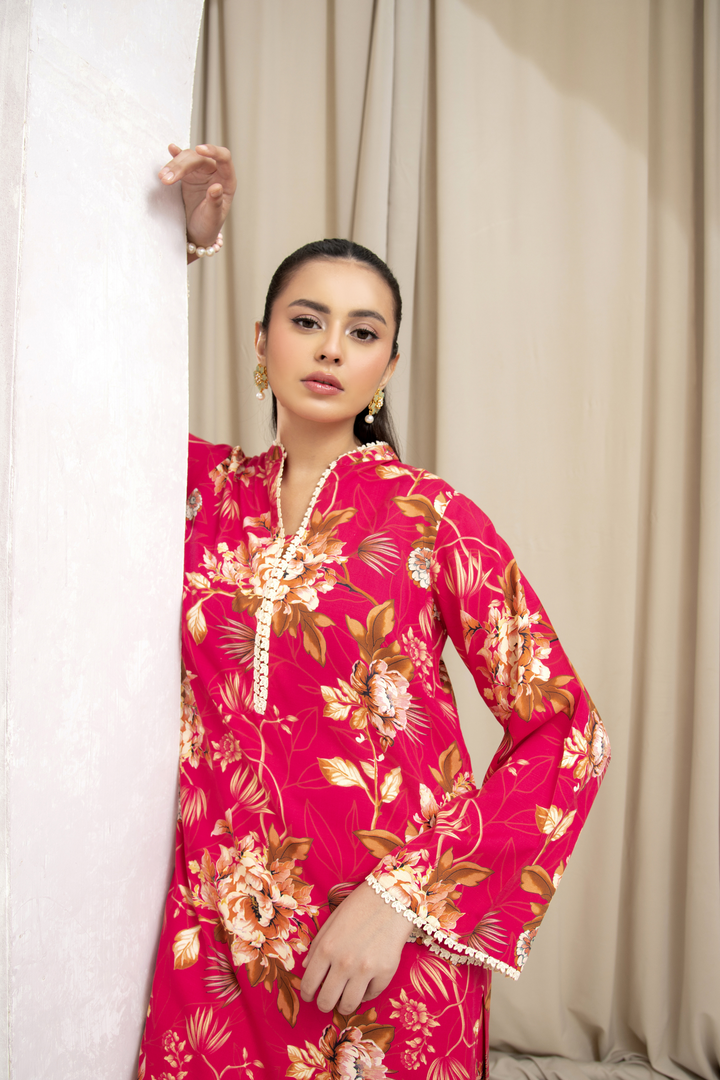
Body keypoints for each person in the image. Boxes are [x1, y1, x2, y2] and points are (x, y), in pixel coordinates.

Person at [139, 144, 610, 1080]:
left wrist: (404, 900)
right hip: (217, 948)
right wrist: (174, 246)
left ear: (387, 364)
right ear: (261, 340)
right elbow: (73, 384)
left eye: (362, 332)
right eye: (306, 321)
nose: (329, 348)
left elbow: (567, 730)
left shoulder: (433, 519)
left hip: (378, 955)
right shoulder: (198, 492)